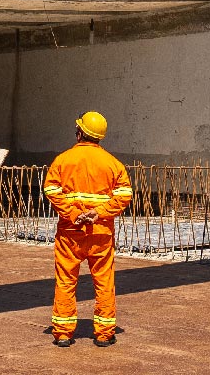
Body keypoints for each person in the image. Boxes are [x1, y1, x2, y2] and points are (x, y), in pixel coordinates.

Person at [44, 111, 132, 348]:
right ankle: (104, 334)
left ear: (80, 132)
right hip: (100, 232)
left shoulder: (63, 160)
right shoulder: (113, 164)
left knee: (65, 280)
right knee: (104, 281)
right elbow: (124, 195)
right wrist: (99, 213)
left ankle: (63, 333)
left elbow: (51, 191)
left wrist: (74, 214)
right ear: (100, 136)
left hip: (70, 232)